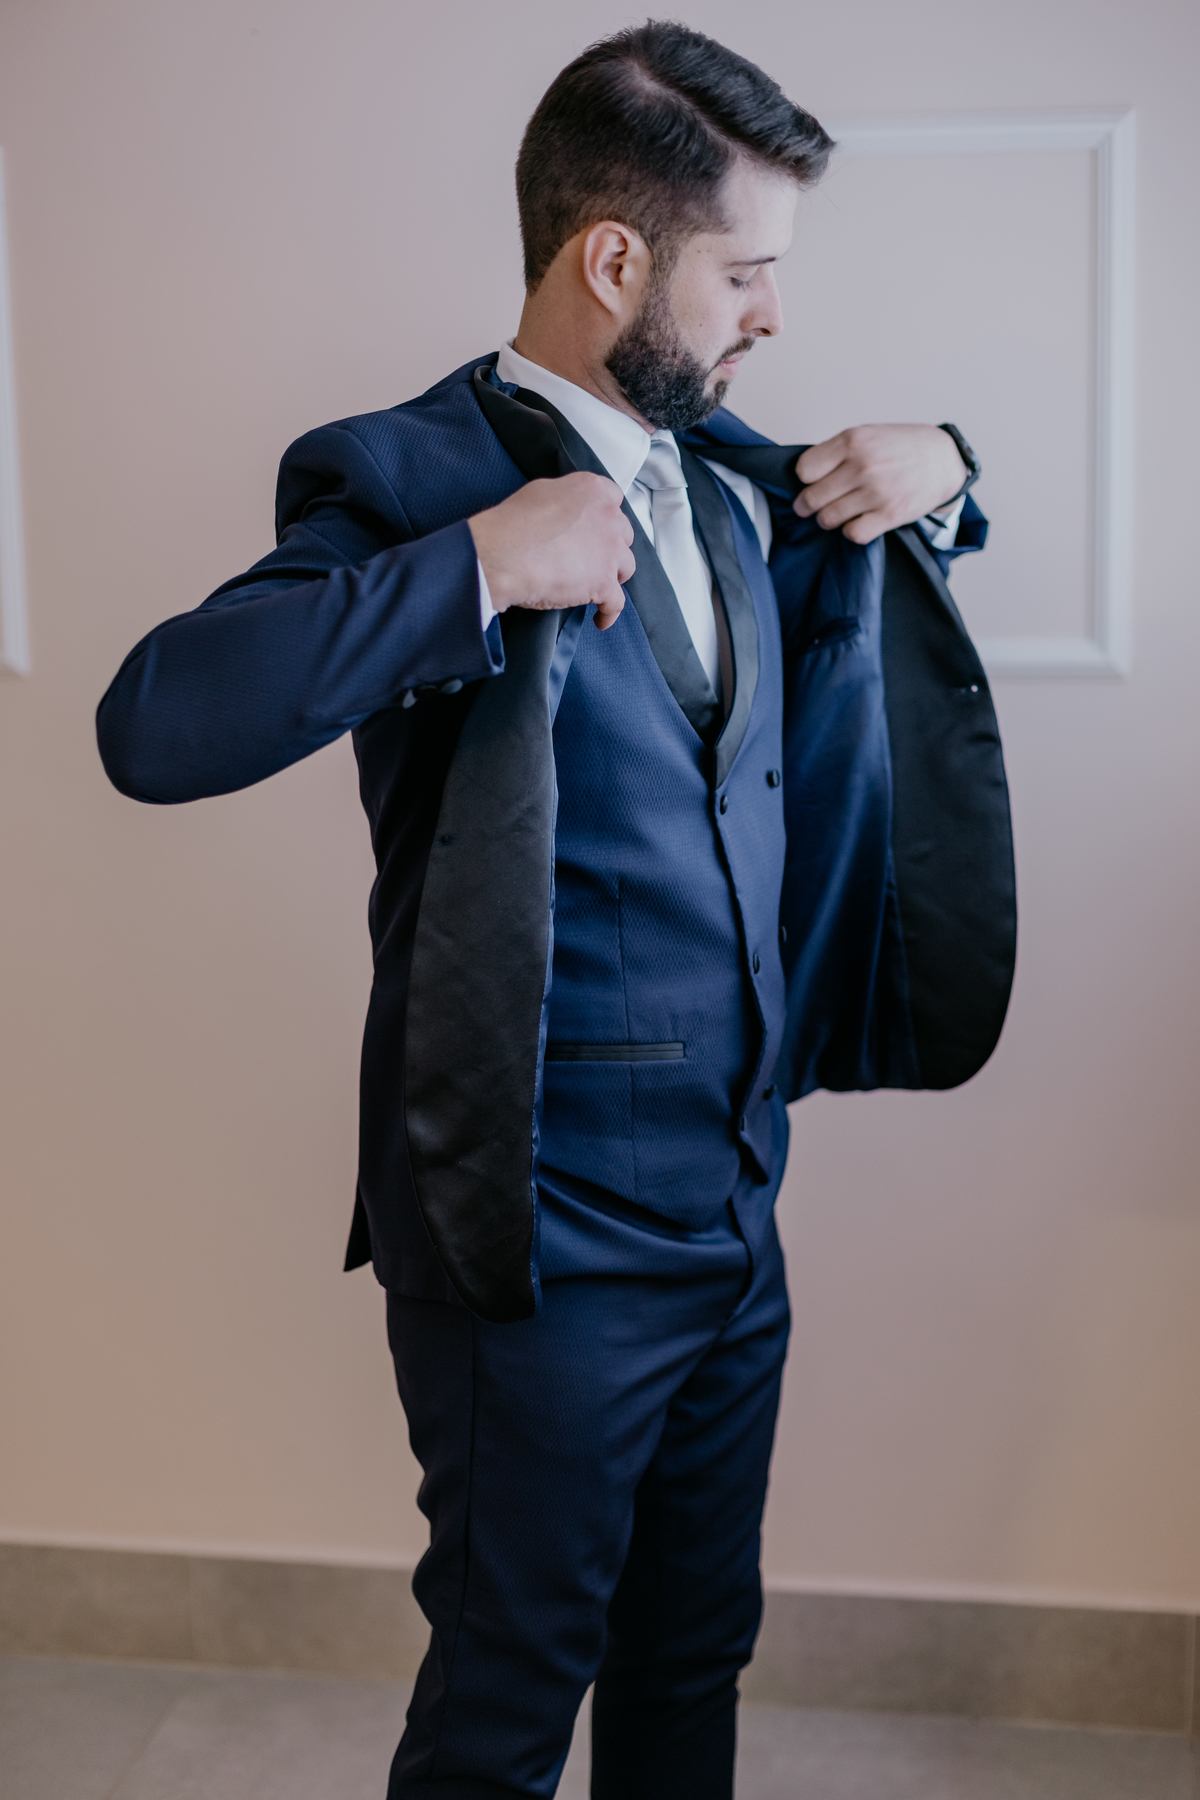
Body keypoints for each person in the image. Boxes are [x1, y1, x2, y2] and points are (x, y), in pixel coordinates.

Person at [97, 22, 1015, 1800]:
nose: (773, 313)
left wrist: (951, 468)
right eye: (744, 272)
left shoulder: (732, 478)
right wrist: (475, 567)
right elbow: (157, 722)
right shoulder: (399, 477)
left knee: (690, 1663)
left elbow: (885, 562)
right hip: (534, 1243)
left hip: (736, 1220)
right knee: (506, 1709)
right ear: (612, 260)